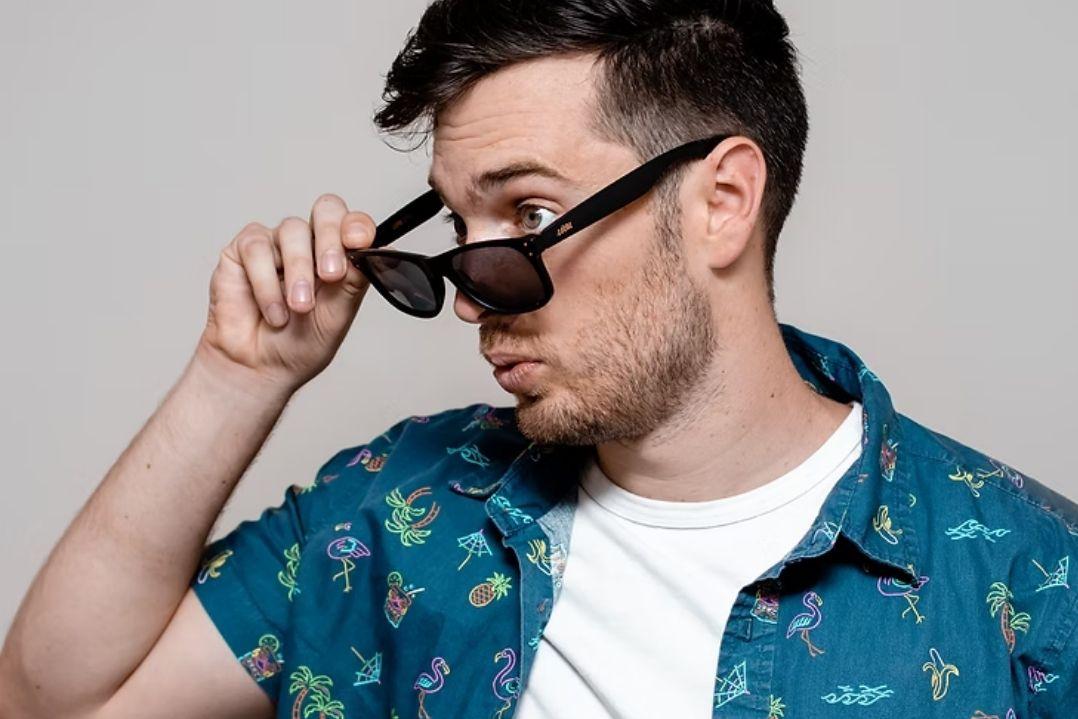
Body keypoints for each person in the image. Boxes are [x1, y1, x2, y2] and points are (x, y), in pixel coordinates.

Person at [2, 1, 1076, 718]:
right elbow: (54, 703)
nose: (472, 286)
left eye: (529, 210)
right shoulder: (395, 513)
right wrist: (241, 376)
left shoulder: (1029, 575)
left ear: (721, 201)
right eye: (460, 231)